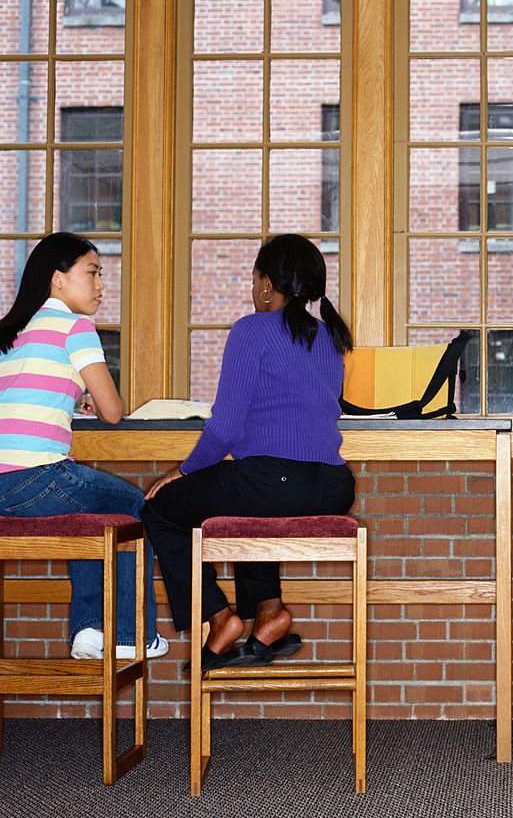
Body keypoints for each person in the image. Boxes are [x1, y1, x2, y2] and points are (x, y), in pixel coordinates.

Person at [141, 234, 355, 671]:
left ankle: (219, 617)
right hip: (334, 486)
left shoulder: (252, 330)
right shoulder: (329, 335)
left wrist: (184, 471)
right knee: (248, 495)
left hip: (277, 482)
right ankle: (269, 612)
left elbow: (225, 426)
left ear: (265, 285)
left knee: (161, 508)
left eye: (255, 278)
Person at [0, 232, 167, 659]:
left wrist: (75, 395)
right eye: (92, 272)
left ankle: (91, 630)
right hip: (37, 478)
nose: (100, 285)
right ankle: (129, 633)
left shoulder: (11, 331)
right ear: (58, 278)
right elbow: (113, 411)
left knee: (89, 513)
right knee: (140, 508)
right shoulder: (76, 326)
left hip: (5, 487)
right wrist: (95, 397)